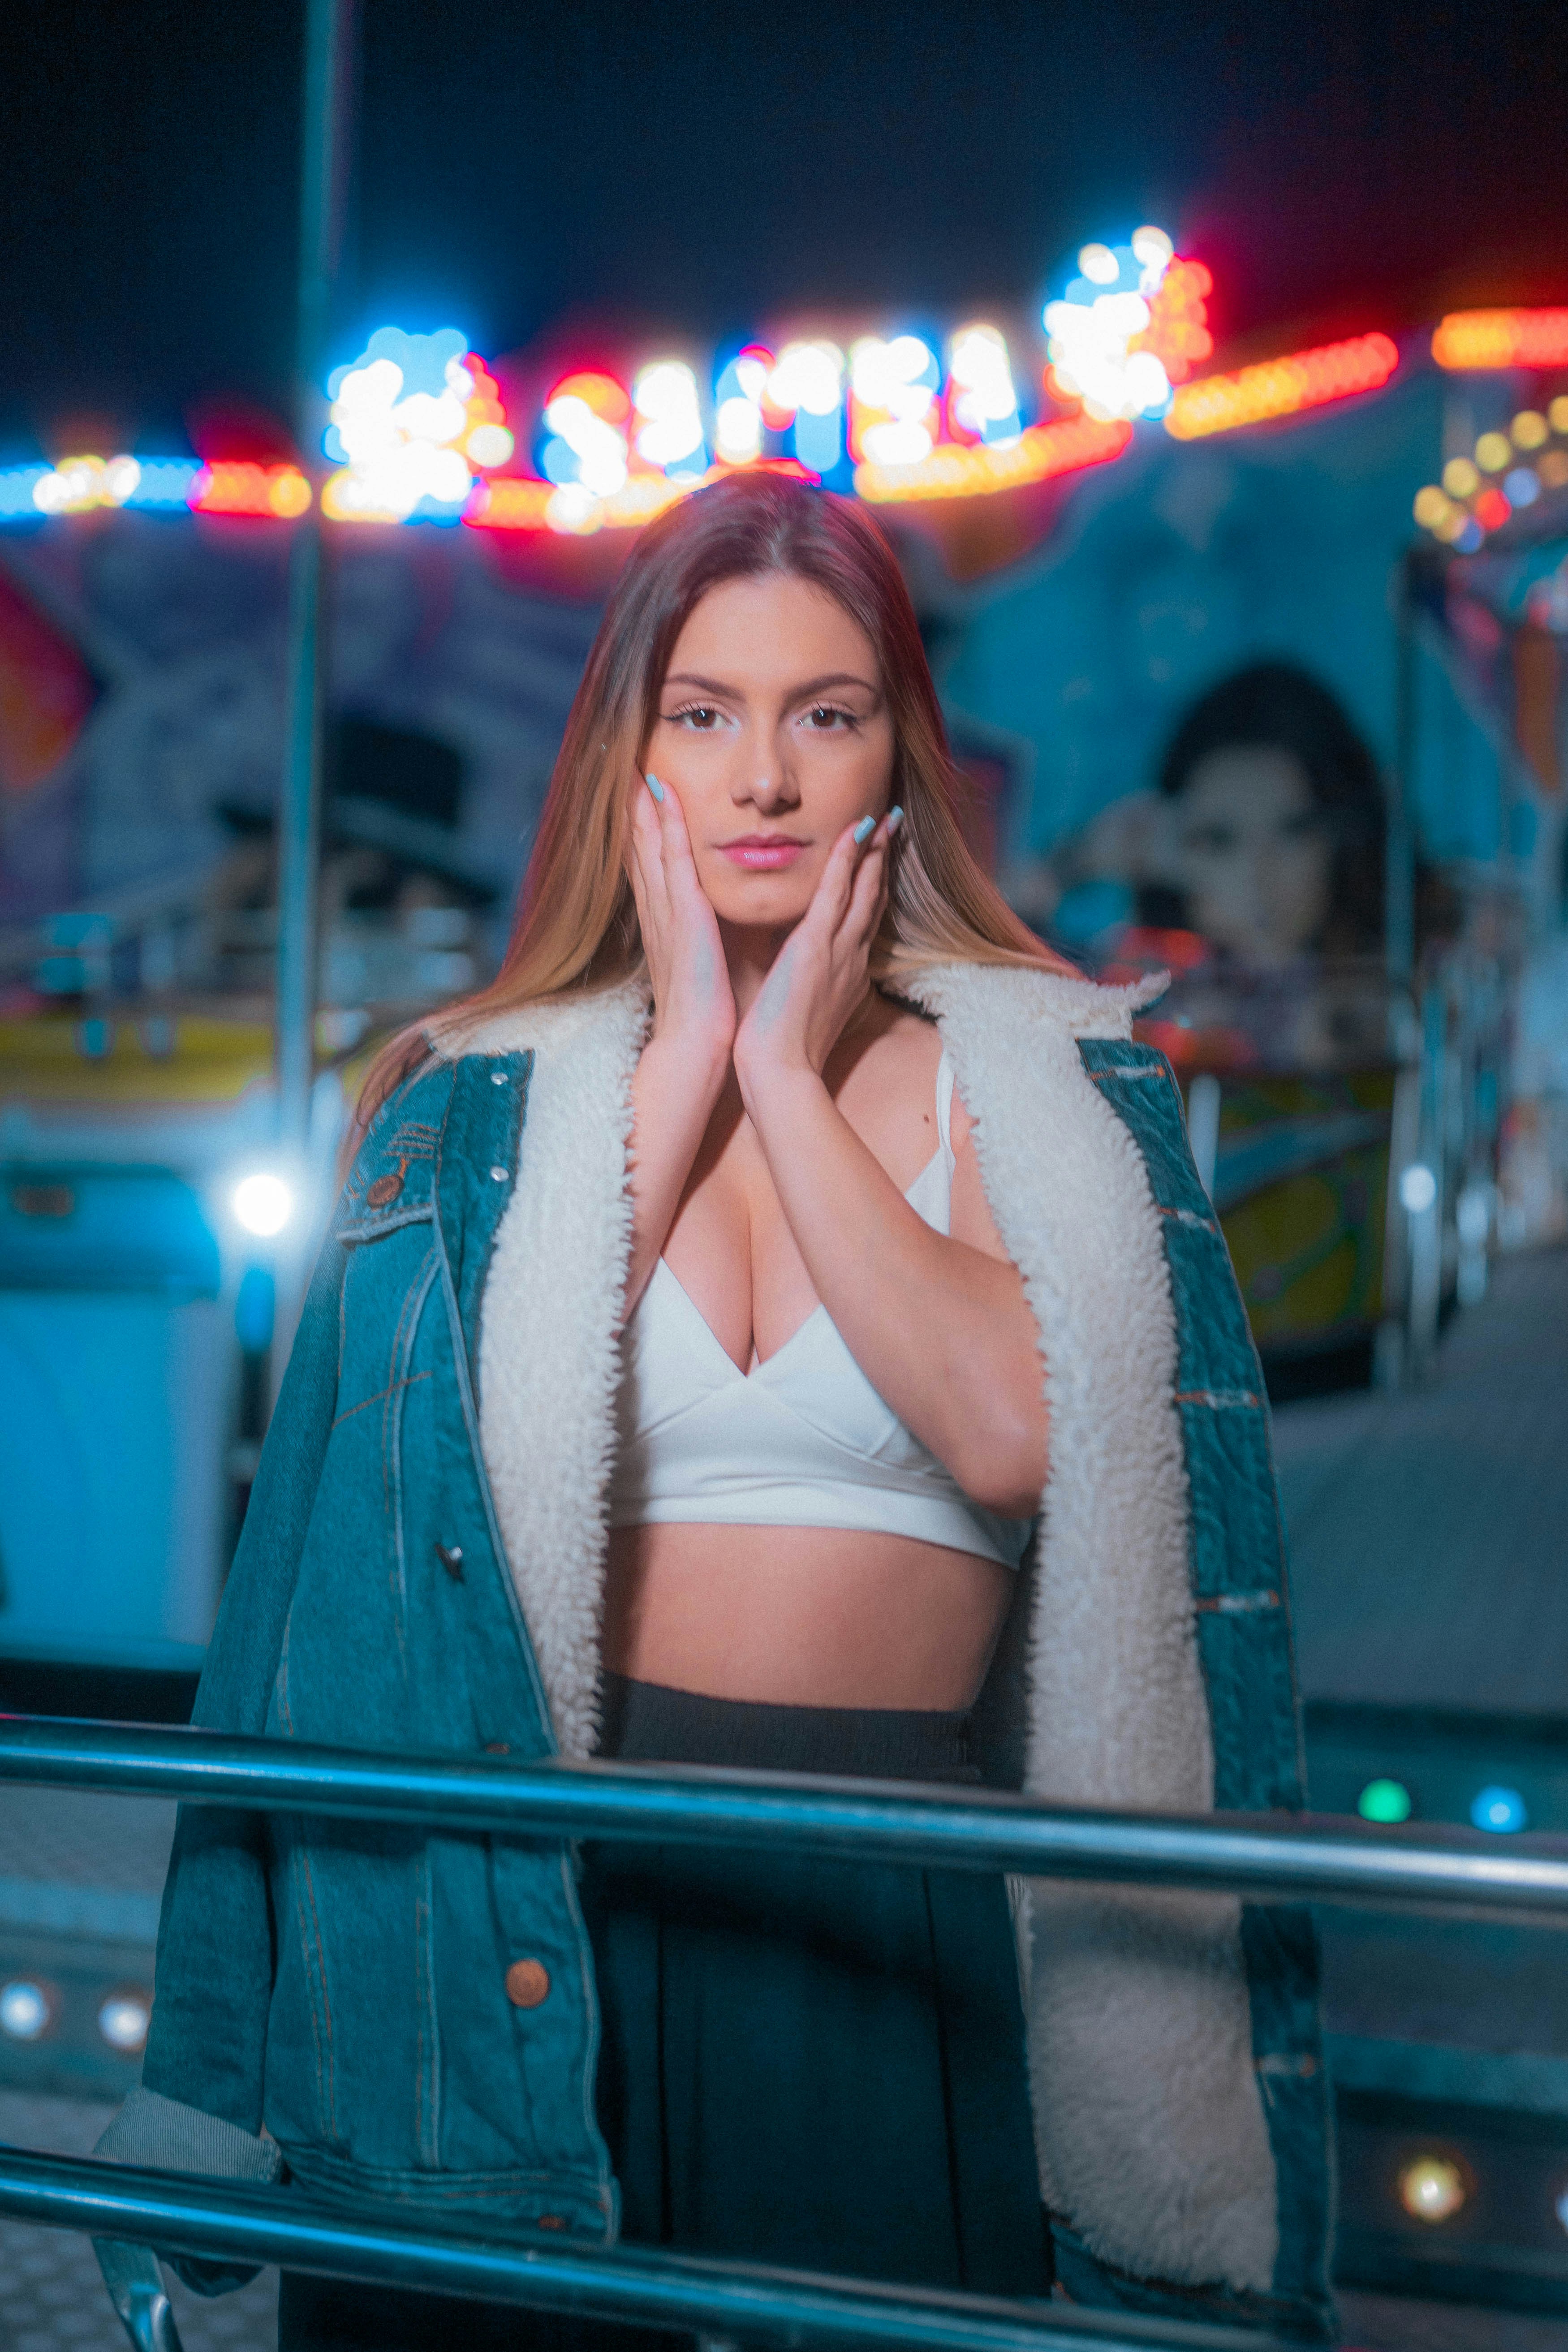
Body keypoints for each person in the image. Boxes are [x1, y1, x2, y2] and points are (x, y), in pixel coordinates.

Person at [96, 476, 1333, 2346]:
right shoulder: (465, 1102)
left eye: (820, 713)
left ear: (890, 753)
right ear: (630, 756)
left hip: (880, 1919)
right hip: (518, 1910)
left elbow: (1016, 1431)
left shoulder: (1038, 1078)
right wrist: (682, 1065)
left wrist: (786, 1072)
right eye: (704, 712)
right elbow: (348, 1561)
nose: (763, 776)